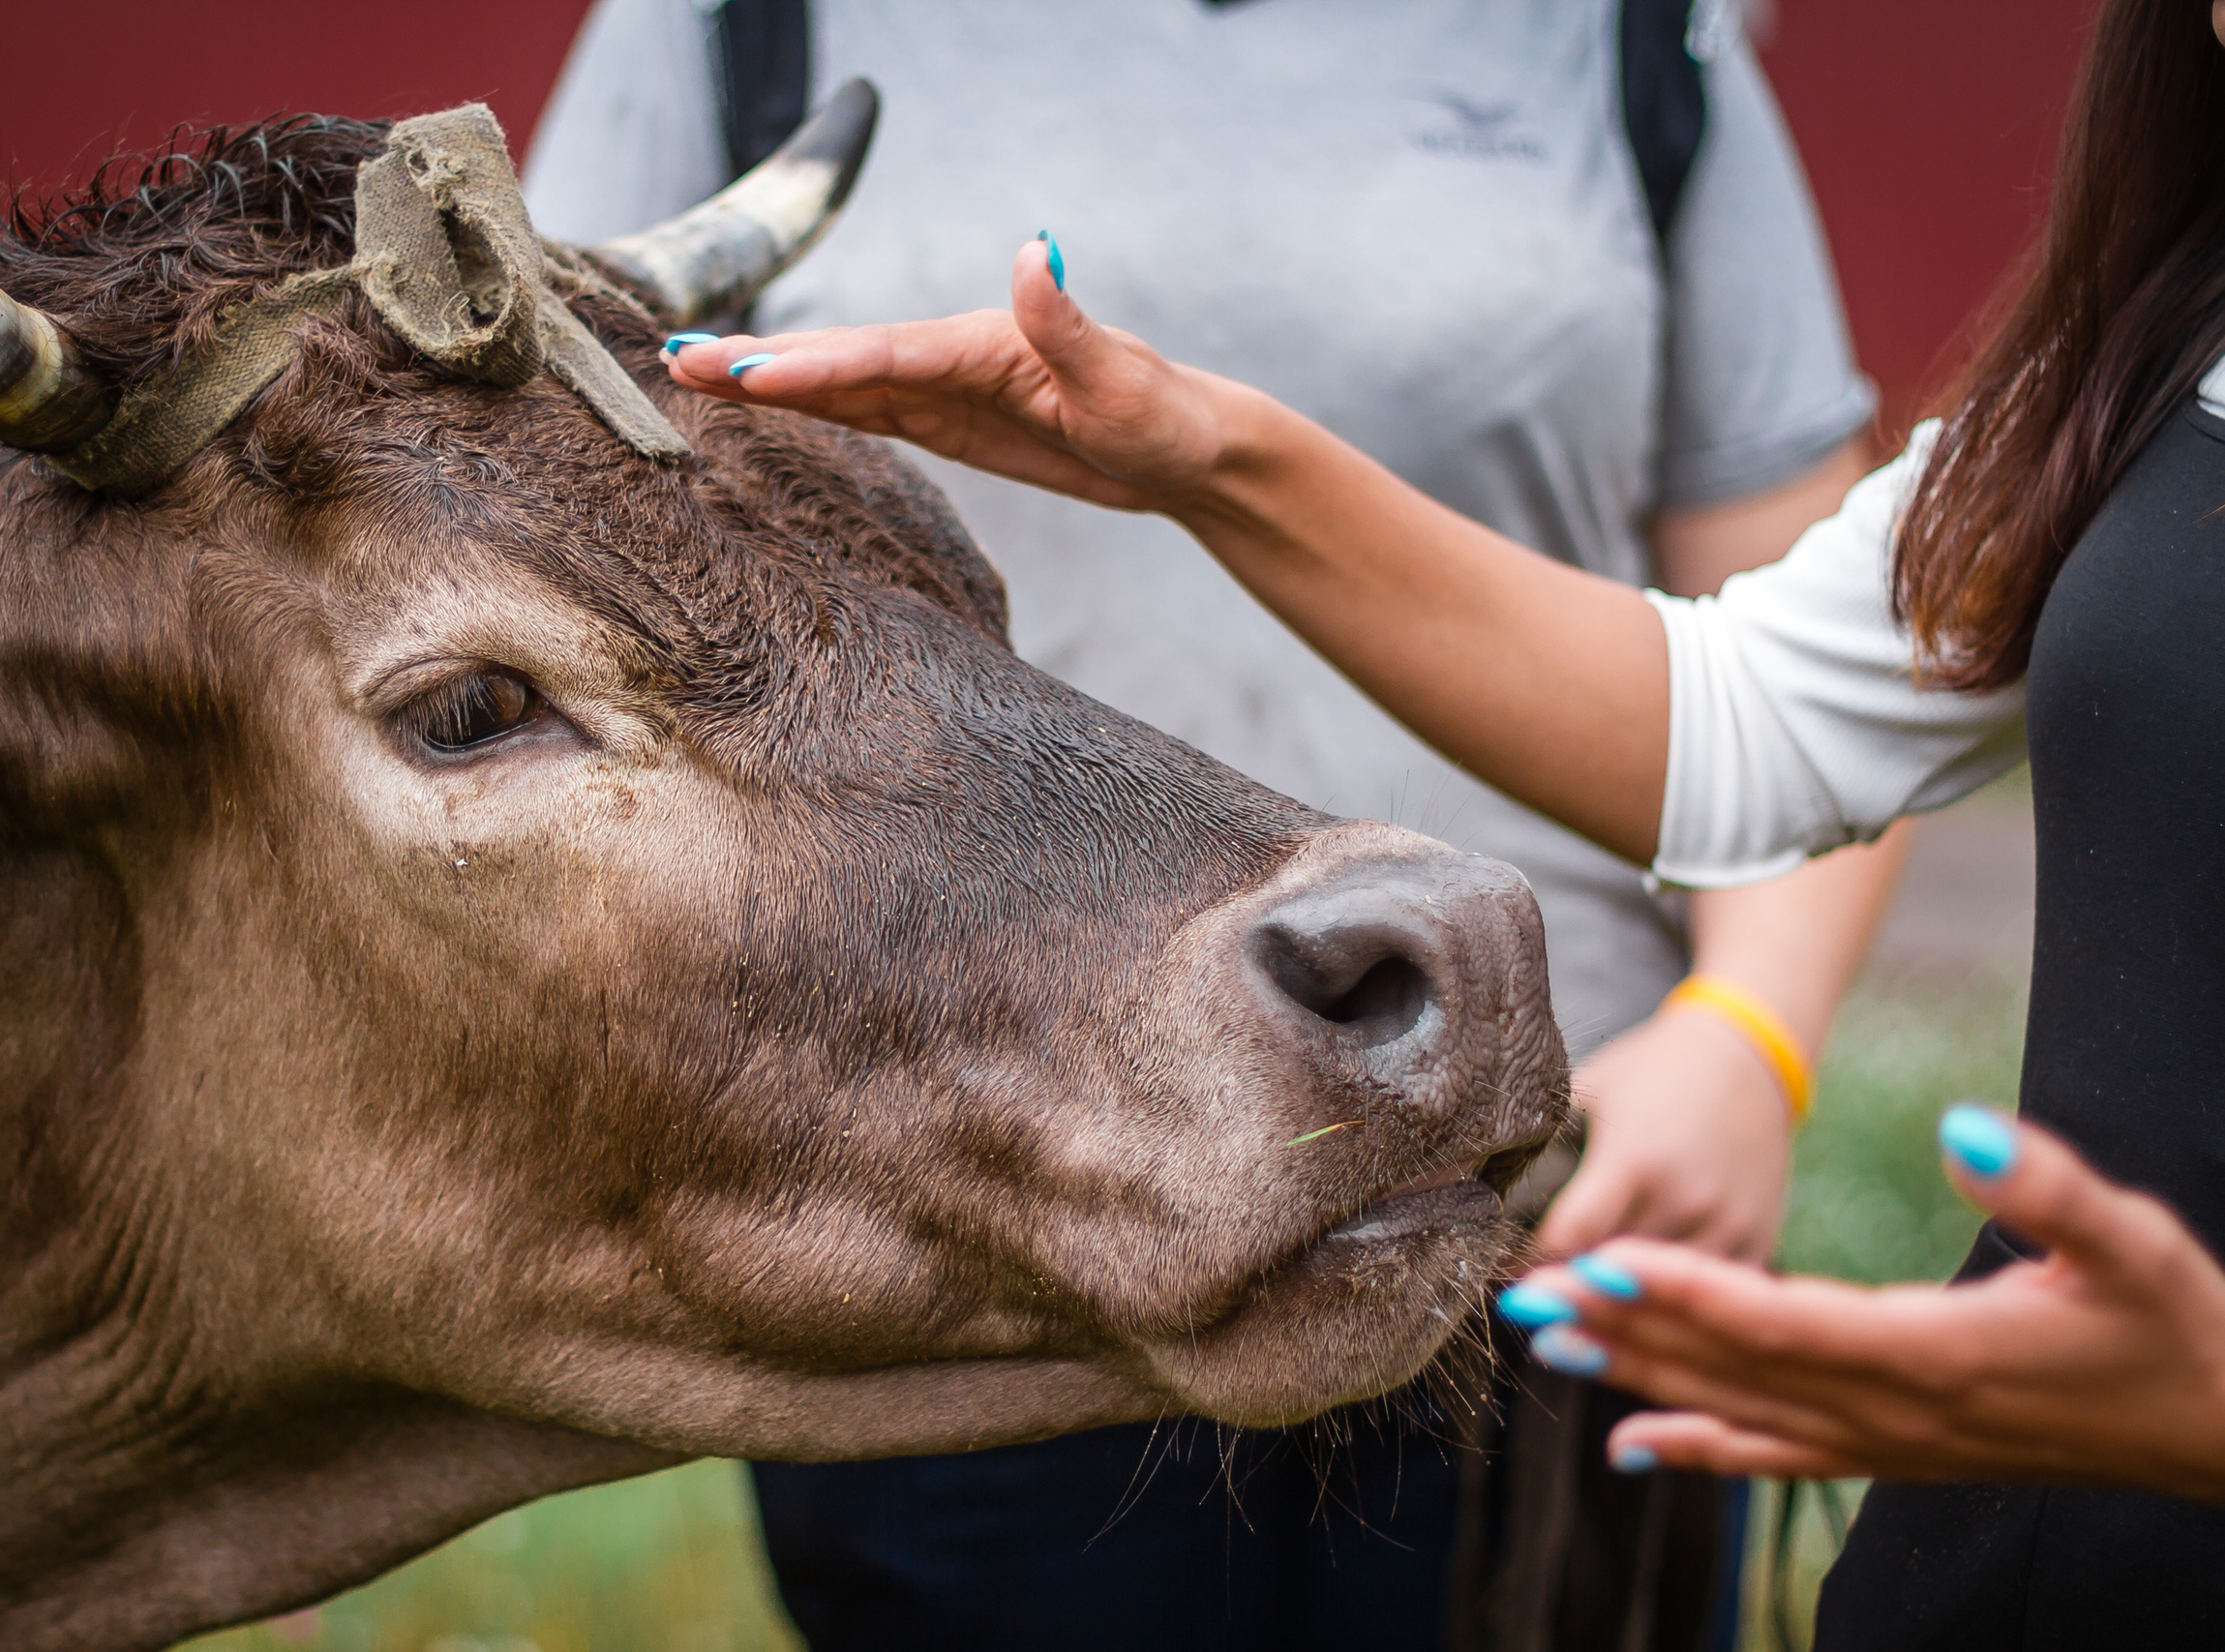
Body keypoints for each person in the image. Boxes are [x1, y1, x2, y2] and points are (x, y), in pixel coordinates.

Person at [662, 0, 2225, 1640]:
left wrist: (1750, 1035)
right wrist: (1210, 457)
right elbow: (1750, 716)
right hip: (2037, 1536)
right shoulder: (2171, 329)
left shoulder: (1626, 42)